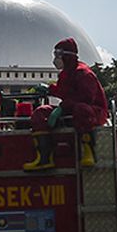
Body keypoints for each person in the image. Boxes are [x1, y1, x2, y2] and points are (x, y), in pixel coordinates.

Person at [24, 37, 109, 171]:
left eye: (57, 56)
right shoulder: (65, 74)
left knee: (81, 109)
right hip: (70, 109)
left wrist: (61, 109)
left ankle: (88, 151)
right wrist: (49, 89)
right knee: (41, 113)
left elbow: (85, 98)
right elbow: (64, 93)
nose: (55, 60)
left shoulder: (84, 73)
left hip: (93, 112)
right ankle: (44, 157)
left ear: (66, 56)